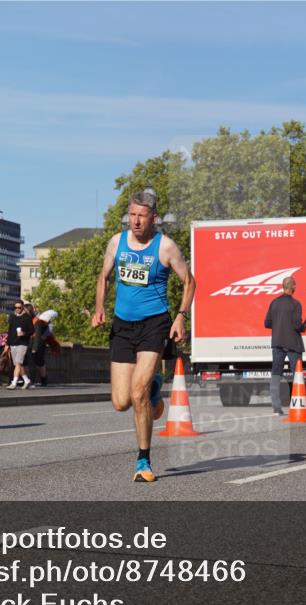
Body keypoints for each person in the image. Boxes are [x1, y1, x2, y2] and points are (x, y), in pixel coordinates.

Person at [91, 189, 195, 483]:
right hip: (123, 326)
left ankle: (143, 460)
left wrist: (180, 316)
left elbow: (189, 281)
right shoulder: (117, 242)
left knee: (137, 393)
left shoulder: (165, 248)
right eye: (132, 215)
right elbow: (104, 276)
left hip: (154, 324)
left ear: (154, 218)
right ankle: (154, 391)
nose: (135, 222)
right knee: (121, 401)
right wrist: (100, 308)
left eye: (142, 216)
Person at [264, 277, 306, 416]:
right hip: (293, 343)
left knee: (276, 374)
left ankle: (276, 407)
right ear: (293, 287)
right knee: (297, 374)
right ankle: (298, 404)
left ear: (283, 286)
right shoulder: (296, 304)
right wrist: (304, 326)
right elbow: (297, 325)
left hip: (277, 342)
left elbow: (267, 323)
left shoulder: (274, 303)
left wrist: (279, 323)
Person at [5, 300, 34, 389]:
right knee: (18, 364)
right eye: (16, 307)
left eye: (19, 307)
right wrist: (7, 344)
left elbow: (32, 331)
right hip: (13, 343)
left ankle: (14, 383)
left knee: (18, 363)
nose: (17, 309)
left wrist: (24, 334)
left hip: (23, 343)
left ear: (22, 308)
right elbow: (9, 331)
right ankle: (27, 380)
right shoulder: (12, 317)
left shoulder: (27, 318)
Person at [31, 309, 60, 387]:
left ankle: (34, 381)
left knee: (35, 363)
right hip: (41, 344)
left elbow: (38, 336)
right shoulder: (47, 326)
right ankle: (43, 381)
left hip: (37, 344)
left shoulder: (41, 324)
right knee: (40, 363)